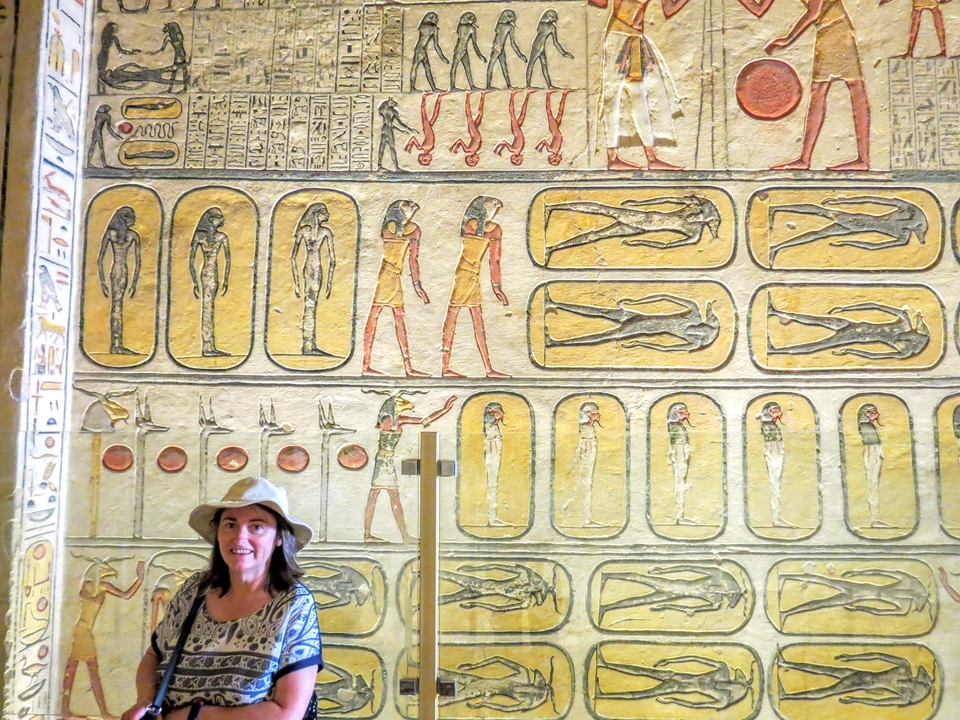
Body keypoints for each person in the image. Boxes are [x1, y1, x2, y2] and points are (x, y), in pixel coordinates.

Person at [121, 476, 322, 720]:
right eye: (230, 524)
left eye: (257, 527)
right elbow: (154, 656)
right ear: (218, 532)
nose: (239, 538)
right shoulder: (194, 591)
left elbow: (286, 714)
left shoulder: (294, 604)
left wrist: (193, 716)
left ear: (279, 537)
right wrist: (146, 701)